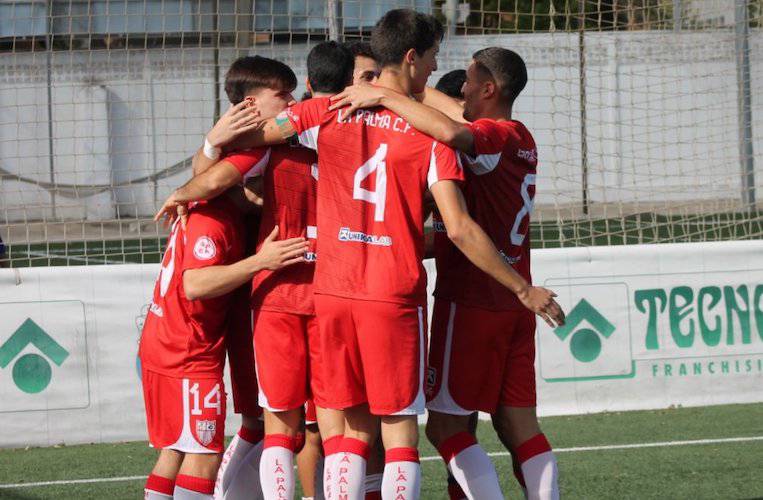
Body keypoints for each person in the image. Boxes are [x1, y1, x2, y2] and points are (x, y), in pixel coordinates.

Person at [223, 9, 564, 499]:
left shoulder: (327, 112)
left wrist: (216, 141)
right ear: (411, 57)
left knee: (349, 430)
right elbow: (461, 227)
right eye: (431, 59)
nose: (434, 70)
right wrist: (521, 287)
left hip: (334, 293)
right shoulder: (429, 136)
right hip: (392, 296)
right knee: (400, 433)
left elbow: (256, 136)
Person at [330, 47, 564, 500]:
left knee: (443, 428)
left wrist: (382, 96)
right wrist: (409, 84)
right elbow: (450, 113)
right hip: (515, 302)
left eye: (472, 81)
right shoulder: (522, 138)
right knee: (518, 425)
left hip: (475, 301)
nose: (463, 89)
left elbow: (453, 132)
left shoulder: (491, 135)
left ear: (490, 89)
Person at [155, 43, 356, 500]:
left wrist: (184, 190)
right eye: (280, 94)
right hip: (322, 291)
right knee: (334, 421)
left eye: (291, 93)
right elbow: (219, 177)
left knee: (279, 424)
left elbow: (216, 177)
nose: (288, 101)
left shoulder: (279, 136)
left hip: (273, 296)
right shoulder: (352, 126)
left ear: (307, 86)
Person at [139, 180, 307, 500]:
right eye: (255, 177)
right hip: (187, 351)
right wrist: (261, 261)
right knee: (203, 455)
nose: (265, 186)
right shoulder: (213, 220)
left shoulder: (213, 212)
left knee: (175, 450)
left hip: (167, 341)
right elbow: (195, 284)